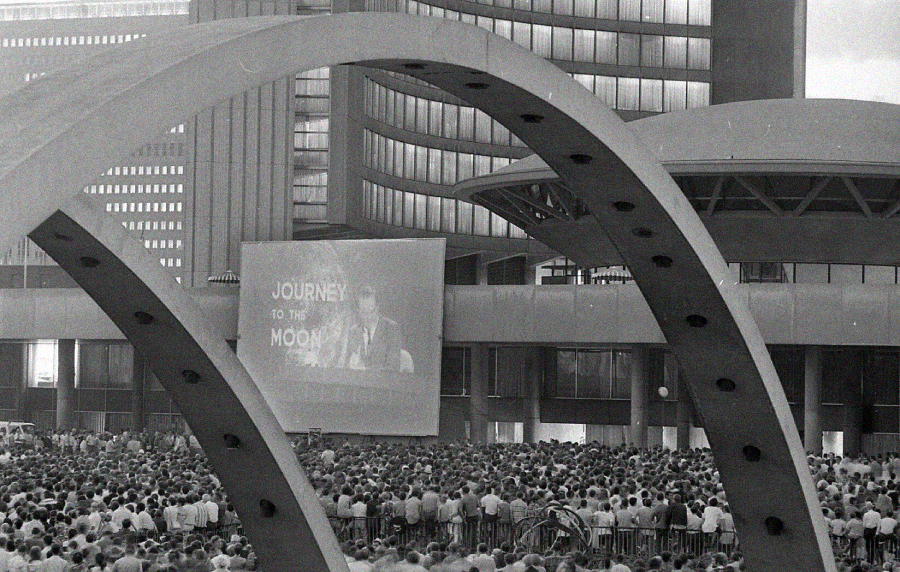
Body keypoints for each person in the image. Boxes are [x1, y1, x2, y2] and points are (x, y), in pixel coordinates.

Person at [346, 286, 402, 371]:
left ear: (378, 308)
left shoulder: (390, 329)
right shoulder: (353, 331)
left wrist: (364, 370)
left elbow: (393, 368)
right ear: (358, 311)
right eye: (364, 312)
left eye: (372, 311)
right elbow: (345, 365)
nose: (368, 316)